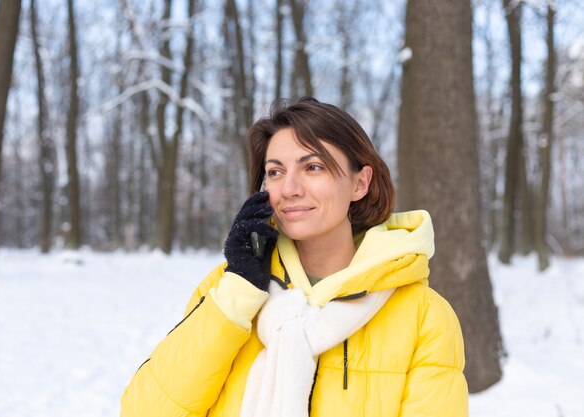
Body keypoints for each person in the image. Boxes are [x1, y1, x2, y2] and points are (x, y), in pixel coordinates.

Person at [120, 97, 468, 417]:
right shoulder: (228, 288)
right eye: (275, 172)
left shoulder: (425, 318)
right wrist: (238, 293)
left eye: (313, 167)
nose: (289, 189)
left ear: (360, 184)